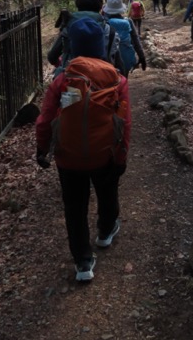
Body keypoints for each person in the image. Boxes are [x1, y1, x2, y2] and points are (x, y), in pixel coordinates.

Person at [35, 18, 131, 282]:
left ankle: (83, 262)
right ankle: (105, 231)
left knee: (74, 207)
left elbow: (44, 120)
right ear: (101, 44)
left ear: (74, 46)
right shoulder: (117, 80)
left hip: (68, 157)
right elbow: (124, 123)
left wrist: (42, 149)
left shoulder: (62, 80)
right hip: (105, 154)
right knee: (107, 192)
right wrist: (121, 155)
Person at [47, 0, 121, 77]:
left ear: (78, 6)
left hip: (71, 79)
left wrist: (62, 64)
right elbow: (117, 61)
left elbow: (52, 57)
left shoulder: (68, 28)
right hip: (102, 80)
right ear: (100, 8)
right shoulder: (109, 30)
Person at [101, 0, 147, 78]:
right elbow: (135, 40)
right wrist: (142, 57)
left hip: (108, 61)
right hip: (126, 59)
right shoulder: (128, 21)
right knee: (123, 80)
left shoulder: (103, 23)